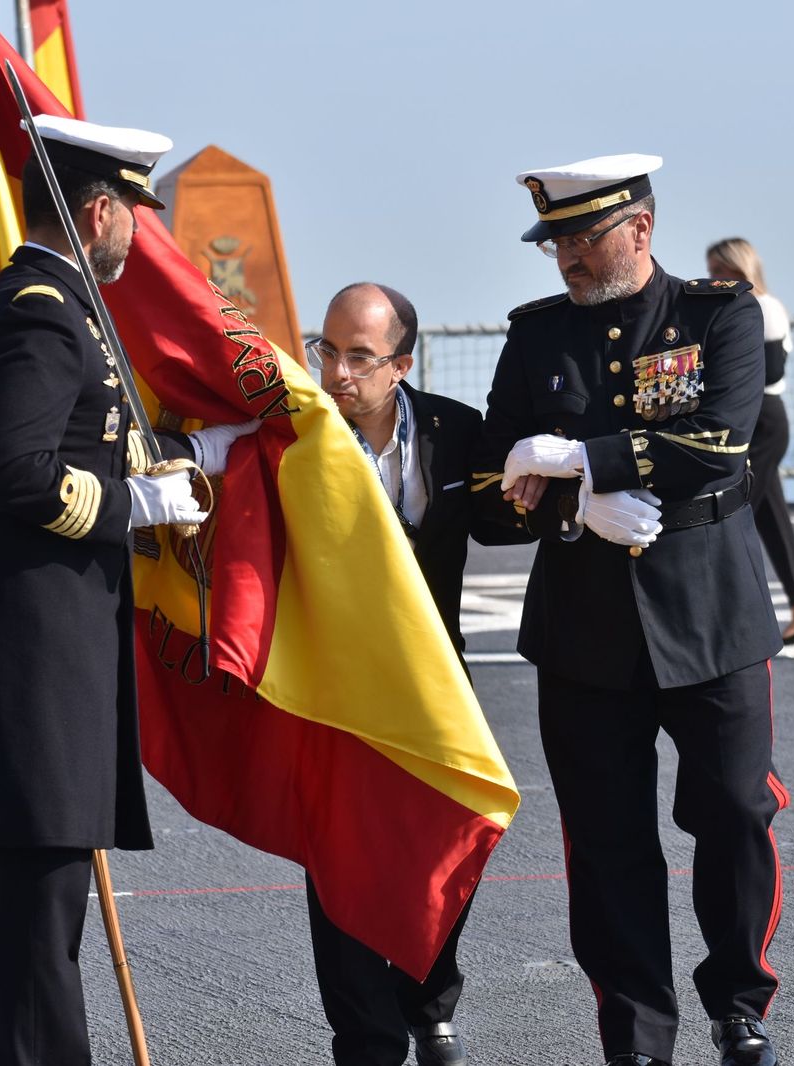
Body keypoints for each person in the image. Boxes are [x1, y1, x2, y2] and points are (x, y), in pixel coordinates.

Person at [0, 114, 249, 1064]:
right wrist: (129, 506)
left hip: (31, 648)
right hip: (32, 658)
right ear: (97, 211)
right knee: (34, 919)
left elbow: (86, 441)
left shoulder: (32, 301)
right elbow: (17, 473)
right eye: (137, 213)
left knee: (31, 910)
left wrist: (195, 455)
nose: (143, 233)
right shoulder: (40, 311)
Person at [472, 155, 787, 1066]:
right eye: (555, 241)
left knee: (733, 810)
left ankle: (738, 1000)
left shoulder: (720, 316)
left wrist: (581, 463)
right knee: (608, 844)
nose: (565, 256)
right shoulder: (535, 339)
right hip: (584, 627)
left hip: (711, 613)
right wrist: (570, 502)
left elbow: (721, 445)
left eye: (582, 236)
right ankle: (639, 1038)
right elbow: (496, 490)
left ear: (640, 230)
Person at [302, 281, 498, 1066]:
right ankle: (366, 1036)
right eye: (327, 350)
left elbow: (512, 512)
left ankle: (430, 1001)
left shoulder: (458, 429)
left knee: (448, 842)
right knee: (341, 863)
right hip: (334, 688)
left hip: (436, 685)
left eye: (358, 356)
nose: (338, 372)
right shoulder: (296, 431)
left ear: (401, 364)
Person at [705, 239, 794, 645]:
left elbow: (770, 372)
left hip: (764, 420)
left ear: (742, 270)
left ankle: (727, 614)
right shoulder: (738, 307)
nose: (713, 278)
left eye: (721, 270)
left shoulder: (763, 306)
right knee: (772, 519)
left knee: (733, 518)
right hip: (755, 419)